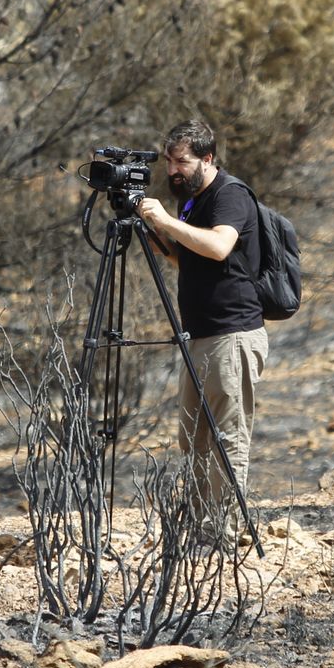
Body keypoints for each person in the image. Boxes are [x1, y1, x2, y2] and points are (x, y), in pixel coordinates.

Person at [137, 120, 268, 541]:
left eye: (182, 162)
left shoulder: (229, 194)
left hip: (232, 335)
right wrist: (155, 227)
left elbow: (217, 246)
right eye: (170, 161)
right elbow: (186, 258)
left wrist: (168, 222)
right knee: (192, 438)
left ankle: (224, 533)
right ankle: (198, 528)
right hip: (199, 336)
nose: (173, 170)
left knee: (227, 438)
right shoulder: (191, 201)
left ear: (206, 159)